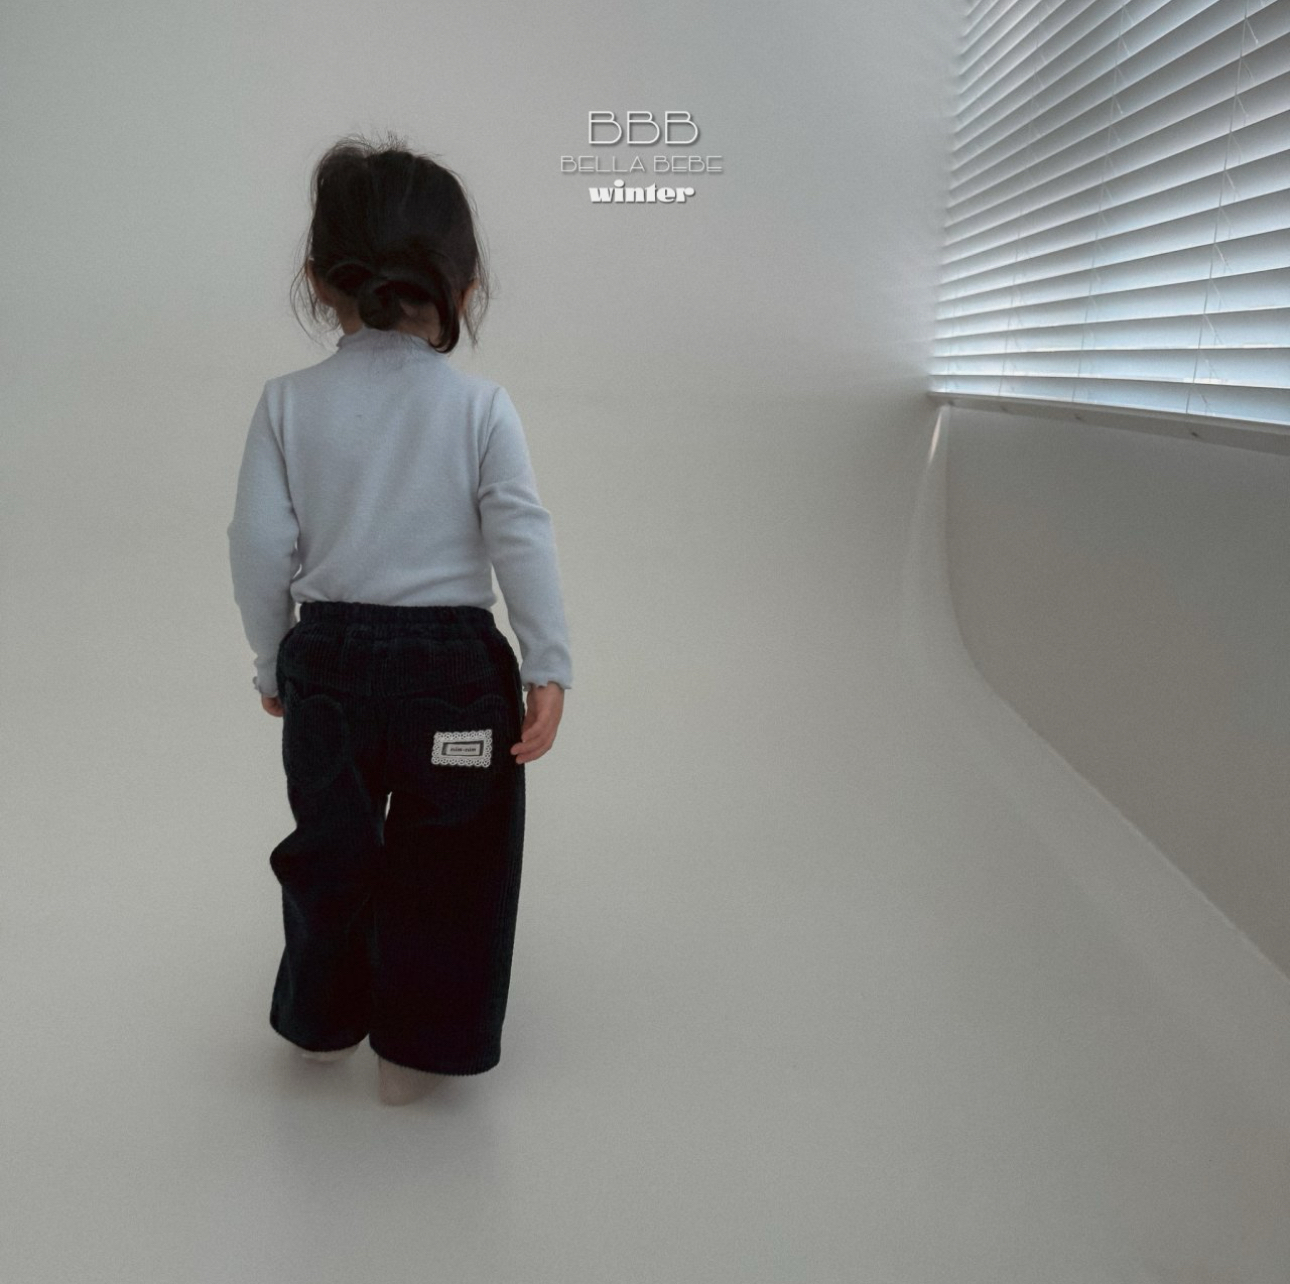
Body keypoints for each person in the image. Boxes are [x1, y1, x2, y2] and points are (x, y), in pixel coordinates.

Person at [226, 132, 572, 1106]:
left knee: (329, 853)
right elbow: (522, 534)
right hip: (454, 678)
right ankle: (415, 1056)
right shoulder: (482, 408)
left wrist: (273, 661)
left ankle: (320, 1027)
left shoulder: (286, 405)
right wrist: (547, 663)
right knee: (452, 865)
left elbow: (257, 544)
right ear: (465, 285)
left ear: (317, 280)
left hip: (327, 666)